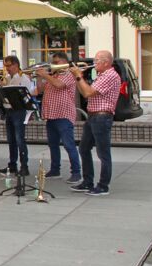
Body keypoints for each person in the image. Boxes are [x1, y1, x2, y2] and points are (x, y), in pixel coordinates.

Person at [69, 50, 120, 196]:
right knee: (84, 149)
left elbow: (88, 93)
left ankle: (103, 186)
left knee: (103, 153)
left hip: (102, 117)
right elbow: (83, 91)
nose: (94, 63)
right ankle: (87, 182)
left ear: (106, 62)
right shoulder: (101, 75)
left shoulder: (109, 75)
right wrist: (78, 77)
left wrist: (79, 76)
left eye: (97, 60)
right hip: (93, 117)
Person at [35, 52, 81, 183]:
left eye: (56, 62)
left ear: (65, 62)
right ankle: (55, 169)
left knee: (69, 145)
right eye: (53, 62)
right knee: (53, 144)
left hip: (63, 115)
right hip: (51, 115)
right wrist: (39, 77)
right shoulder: (53, 75)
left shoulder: (69, 74)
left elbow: (59, 85)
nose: (53, 64)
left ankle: (76, 172)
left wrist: (45, 75)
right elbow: (40, 90)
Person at [0, 55, 34, 176]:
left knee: (20, 140)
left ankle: (24, 166)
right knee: (11, 140)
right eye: (5, 66)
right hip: (9, 111)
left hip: (19, 111)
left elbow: (26, 96)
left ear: (15, 65)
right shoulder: (8, 78)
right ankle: (12, 165)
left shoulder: (23, 78)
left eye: (8, 66)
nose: (7, 68)